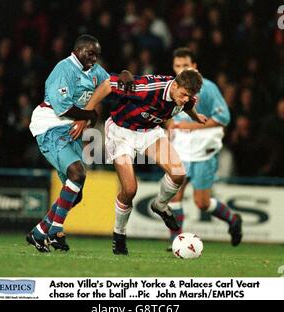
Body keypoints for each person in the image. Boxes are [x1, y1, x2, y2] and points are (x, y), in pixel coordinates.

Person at [84, 68, 207, 254]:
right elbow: (108, 84)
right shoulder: (149, 88)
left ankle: (160, 205)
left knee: (178, 174)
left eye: (188, 96)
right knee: (130, 189)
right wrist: (86, 113)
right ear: (175, 85)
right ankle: (119, 235)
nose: (184, 99)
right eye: (183, 94)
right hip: (121, 132)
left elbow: (188, 105)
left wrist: (197, 118)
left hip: (149, 133)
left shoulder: (185, 97)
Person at [27, 34, 109, 252]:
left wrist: (127, 75)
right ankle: (55, 231)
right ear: (78, 50)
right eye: (90, 54)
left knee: (76, 192)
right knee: (77, 173)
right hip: (50, 124)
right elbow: (63, 108)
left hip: (69, 128)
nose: (94, 59)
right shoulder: (64, 68)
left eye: (97, 55)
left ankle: (39, 232)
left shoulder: (95, 71)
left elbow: (110, 84)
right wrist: (89, 115)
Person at [167, 48, 242, 249]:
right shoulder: (172, 87)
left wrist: (188, 126)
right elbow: (170, 118)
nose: (181, 69)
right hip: (180, 149)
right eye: (177, 66)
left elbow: (223, 118)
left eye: (185, 65)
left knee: (202, 203)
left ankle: (233, 219)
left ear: (194, 66)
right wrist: (170, 129)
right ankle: (176, 240)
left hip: (203, 150)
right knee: (174, 194)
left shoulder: (207, 88)